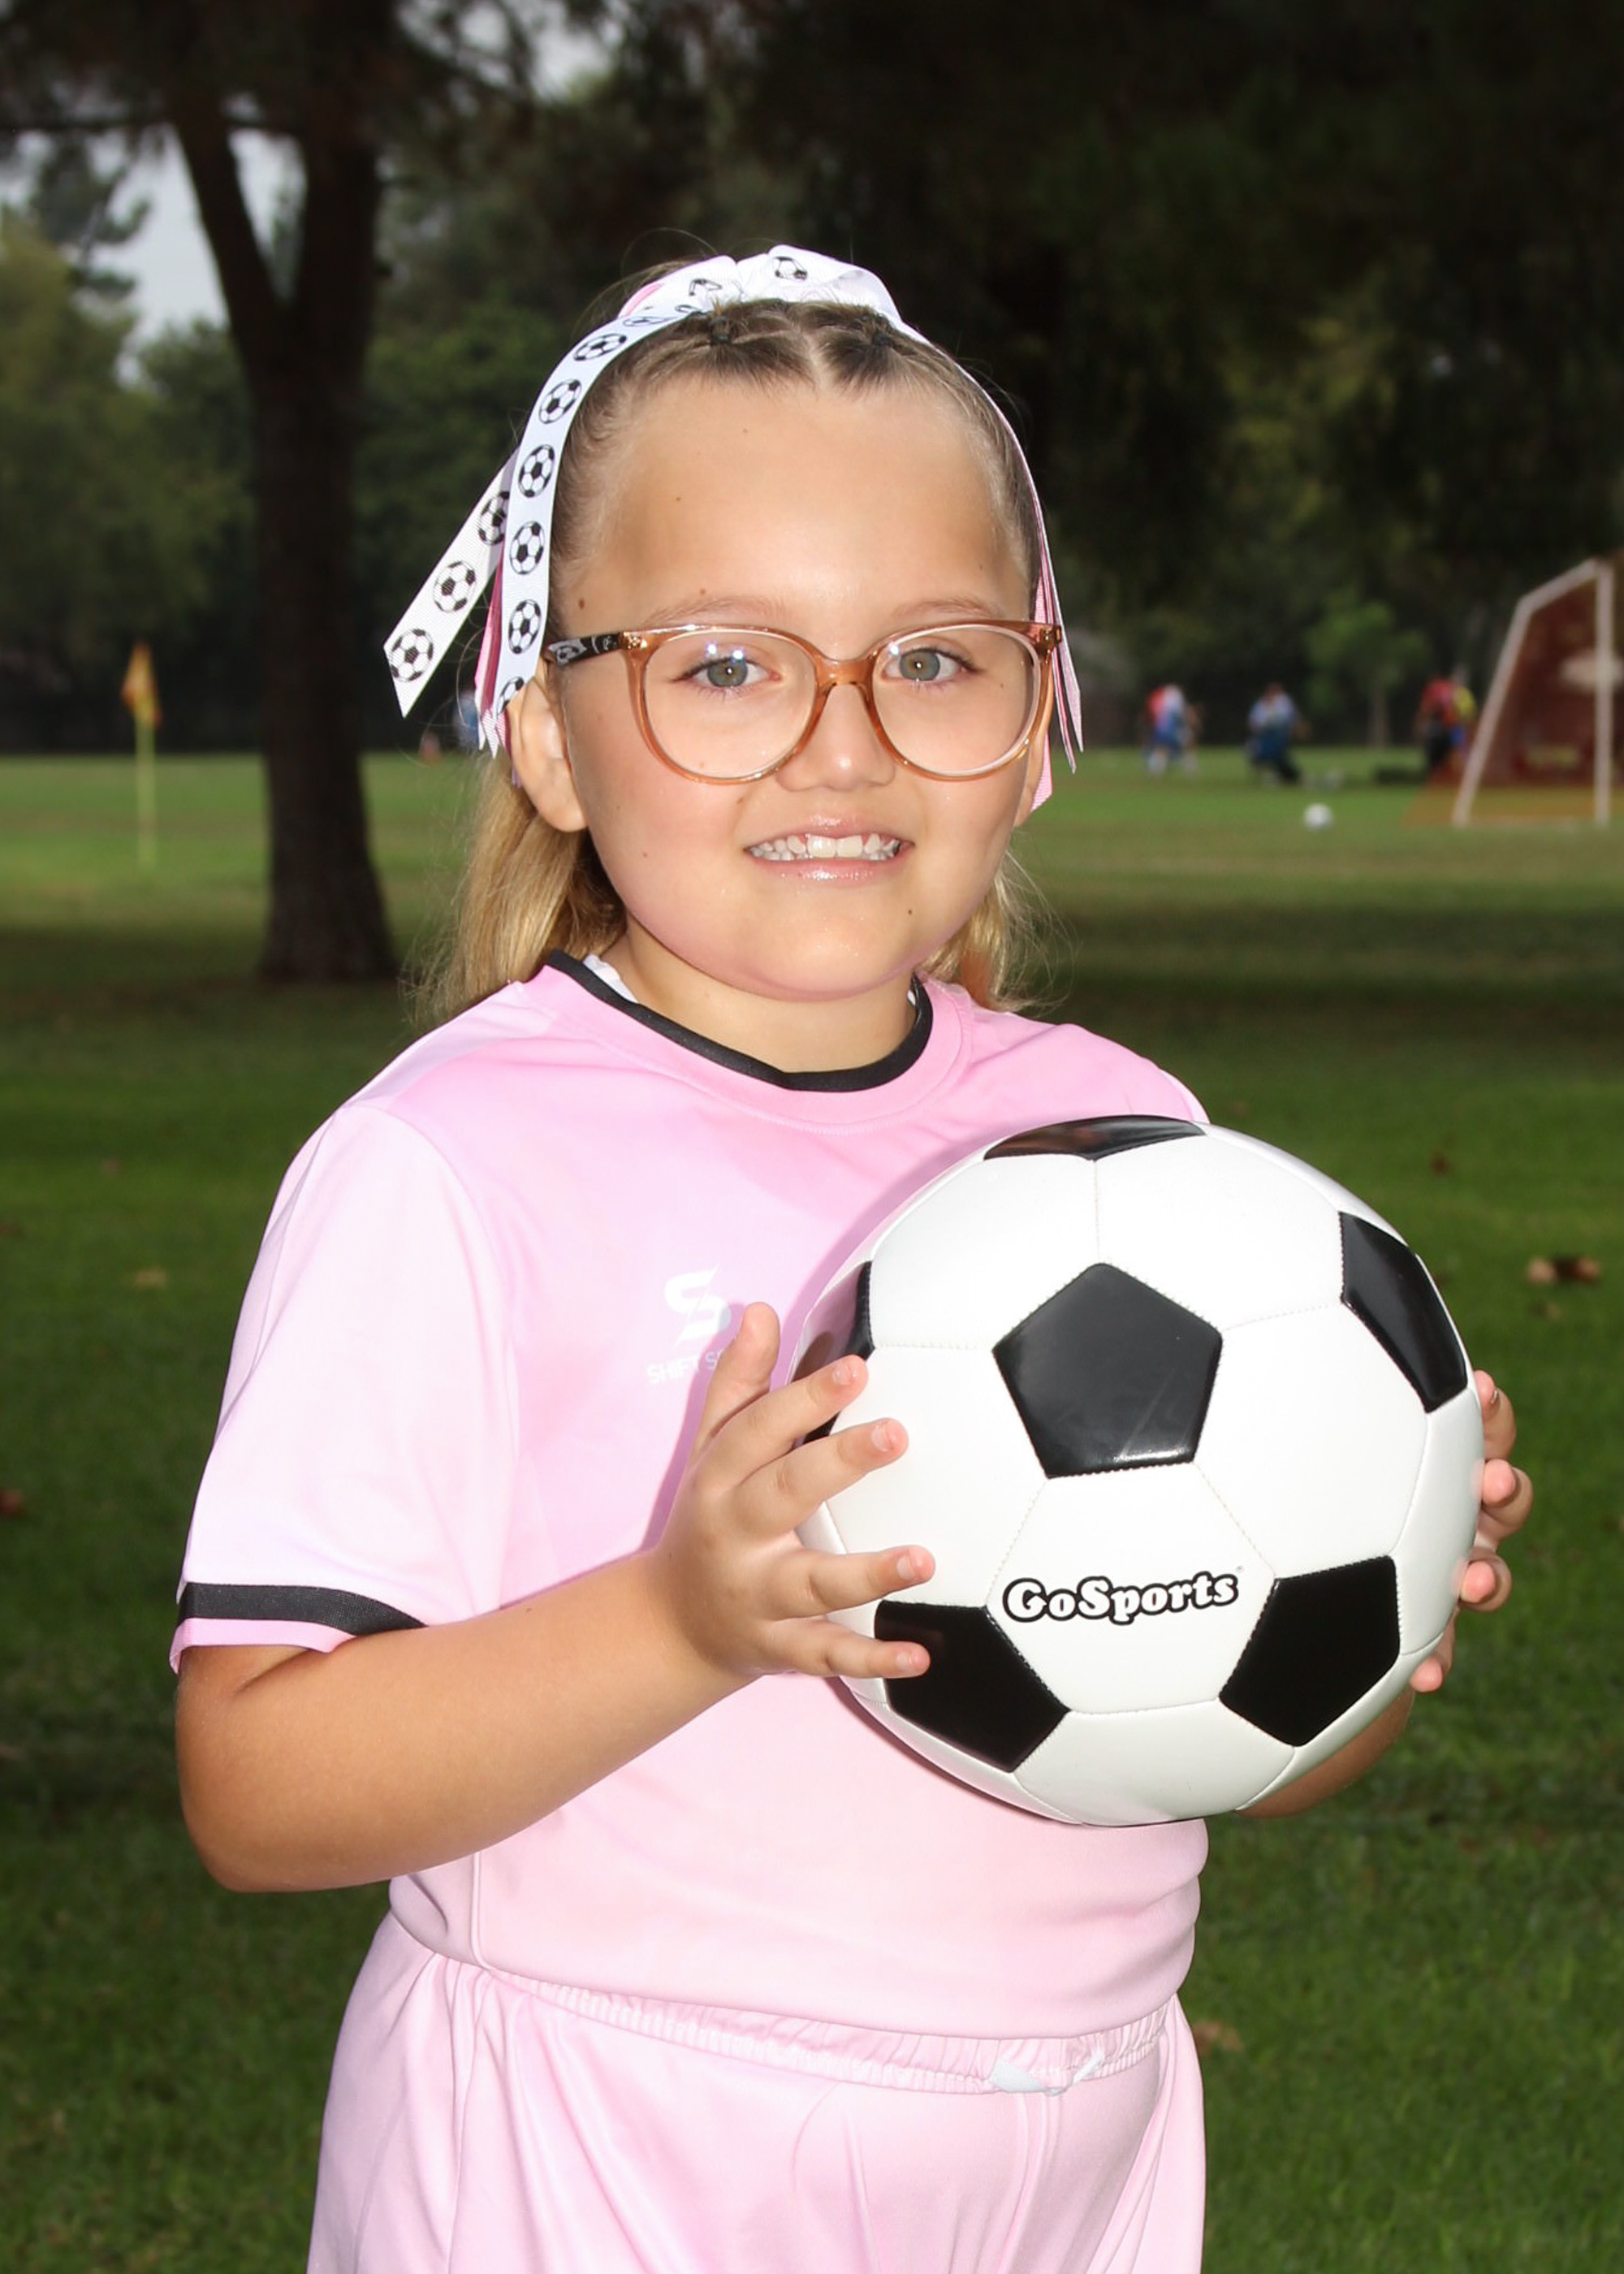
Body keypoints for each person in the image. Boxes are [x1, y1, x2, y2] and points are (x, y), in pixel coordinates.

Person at [171, 248, 1531, 2274]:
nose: (840, 742)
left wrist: (1371, 1575)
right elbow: (257, 1781)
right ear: (547, 736)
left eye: (933, 657)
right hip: (602, 2155)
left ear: (1039, 717)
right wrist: (678, 1620)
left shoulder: (1128, 1139)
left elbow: (1240, 1755)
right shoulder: (450, 1163)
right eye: (725, 663)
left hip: (1069, 2157)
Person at [1245, 682, 1304, 783]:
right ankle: (1285, 774)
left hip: (1278, 735)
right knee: (1264, 754)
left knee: (1276, 756)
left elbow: (1291, 719)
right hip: (1265, 735)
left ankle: (1287, 775)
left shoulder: (1284, 703)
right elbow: (1254, 722)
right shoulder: (1260, 705)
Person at [1142, 681, 1195, 774]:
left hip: (1163, 728)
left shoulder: (1162, 698)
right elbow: (1179, 714)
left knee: (1163, 749)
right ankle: (1189, 769)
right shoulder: (1174, 697)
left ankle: (1156, 769)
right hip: (1171, 728)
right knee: (1182, 746)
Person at [1415, 669, 1461, 777]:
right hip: (1452, 727)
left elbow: (1427, 708)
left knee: (1434, 757)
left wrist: (1420, 723)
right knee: (1451, 756)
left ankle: (1434, 777)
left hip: (1438, 726)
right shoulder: (1452, 688)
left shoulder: (1433, 688)